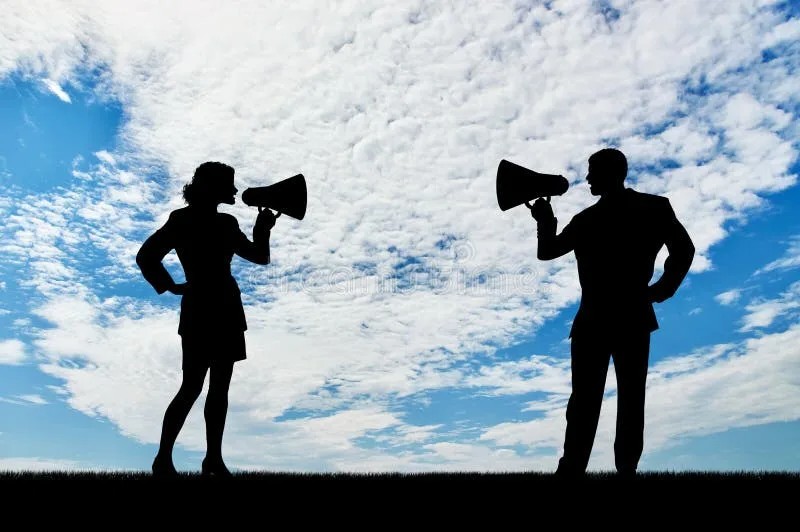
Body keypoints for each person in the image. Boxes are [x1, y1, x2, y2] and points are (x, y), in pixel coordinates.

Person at [530, 148, 695, 477]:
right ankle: (620, 471)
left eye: (592, 171)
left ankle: (576, 469)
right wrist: (659, 291)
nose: (588, 178)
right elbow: (684, 249)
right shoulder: (648, 208)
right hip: (627, 315)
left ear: (610, 173)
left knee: (587, 403)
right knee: (625, 400)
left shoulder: (593, 219)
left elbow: (548, 250)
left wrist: (661, 290)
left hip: (598, 318)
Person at [136, 161, 275, 477]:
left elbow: (259, 257)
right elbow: (145, 257)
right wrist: (168, 285)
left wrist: (261, 230)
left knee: (208, 388)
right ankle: (170, 458)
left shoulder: (218, 222)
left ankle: (208, 459)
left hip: (214, 306)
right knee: (198, 387)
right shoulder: (189, 220)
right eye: (230, 184)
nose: (235, 190)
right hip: (212, 306)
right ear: (212, 187)